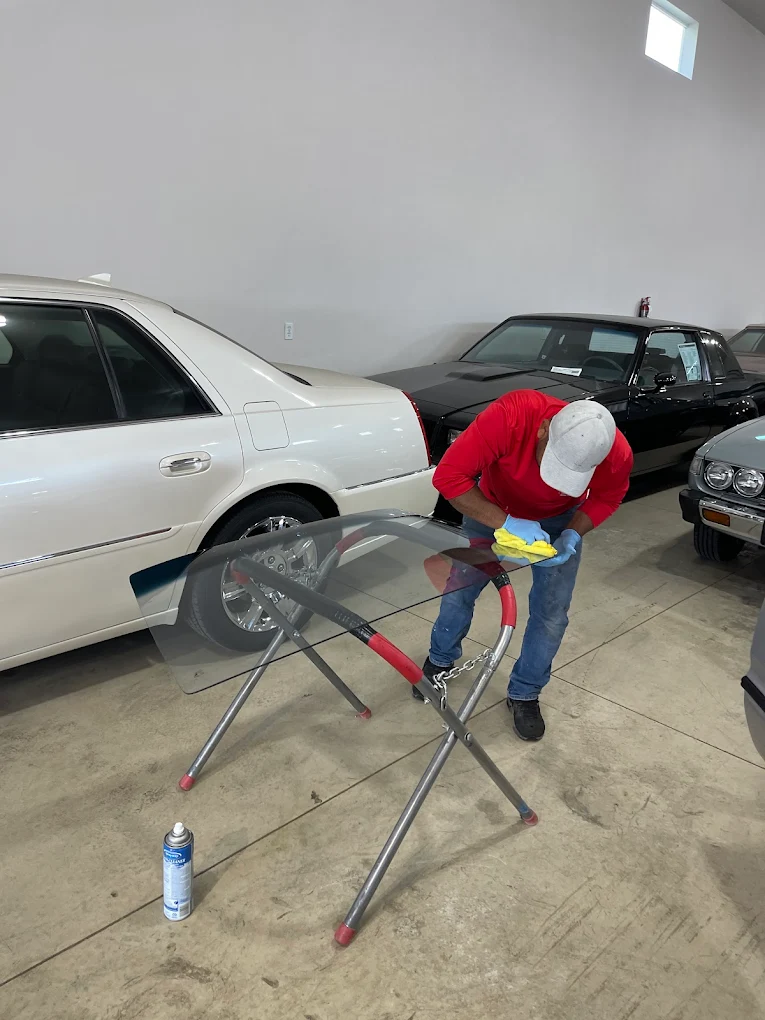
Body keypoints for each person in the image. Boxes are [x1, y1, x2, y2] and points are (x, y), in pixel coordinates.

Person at [417, 390, 633, 741]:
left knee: (551, 613)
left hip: (559, 521)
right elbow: (449, 477)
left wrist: (573, 533)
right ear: (544, 428)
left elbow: (609, 496)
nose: (553, 480)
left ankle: (525, 692)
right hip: (490, 509)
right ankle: (439, 660)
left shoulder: (612, 449)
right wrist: (505, 523)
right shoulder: (511, 416)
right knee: (461, 589)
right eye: (554, 464)